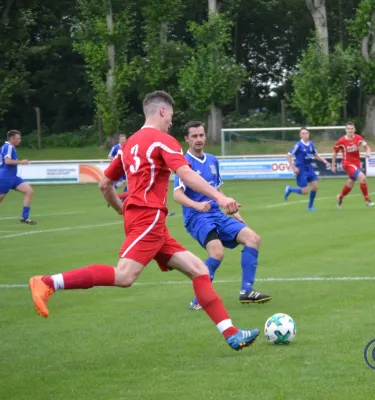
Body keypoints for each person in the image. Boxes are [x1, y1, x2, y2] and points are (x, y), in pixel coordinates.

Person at [28, 91, 259, 351]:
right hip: (149, 218)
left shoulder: (128, 145)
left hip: (147, 220)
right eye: (171, 115)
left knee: (200, 270)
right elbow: (185, 173)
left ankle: (231, 333)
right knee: (125, 275)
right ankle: (48, 282)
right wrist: (220, 196)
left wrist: (120, 209)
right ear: (162, 112)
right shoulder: (164, 141)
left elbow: (105, 183)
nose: (172, 121)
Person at [172, 121, 271, 311]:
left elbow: (217, 189)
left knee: (253, 239)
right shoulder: (184, 164)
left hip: (218, 213)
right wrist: (197, 205)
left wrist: (234, 210)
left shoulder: (212, 160)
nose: (199, 139)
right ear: (186, 139)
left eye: (201, 135)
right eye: (194, 136)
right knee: (217, 253)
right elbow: (177, 194)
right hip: (197, 217)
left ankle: (247, 291)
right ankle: (199, 299)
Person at [283, 127, 330, 210]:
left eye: (306, 133)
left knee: (315, 186)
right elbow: (288, 155)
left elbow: (315, 155)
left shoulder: (311, 144)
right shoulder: (298, 145)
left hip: (309, 167)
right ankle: (290, 189)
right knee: (305, 191)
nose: (305, 135)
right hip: (301, 169)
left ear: (309, 134)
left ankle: (310, 206)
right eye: (303, 133)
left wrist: (324, 161)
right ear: (300, 135)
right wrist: (293, 168)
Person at [331, 122, 375, 208]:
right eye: (348, 129)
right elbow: (334, 153)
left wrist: (368, 153)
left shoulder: (358, 138)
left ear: (354, 129)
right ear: (345, 130)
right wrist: (333, 165)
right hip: (347, 164)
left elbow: (367, 147)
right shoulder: (341, 141)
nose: (350, 130)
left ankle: (340, 197)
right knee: (362, 178)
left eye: (352, 129)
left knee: (350, 184)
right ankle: (367, 200)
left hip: (356, 164)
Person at [0, 130, 37, 224]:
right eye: (18, 138)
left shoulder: (9, 147)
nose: (20, 140)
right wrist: (21, 162)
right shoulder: (8, 147)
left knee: (29, 191)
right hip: (5, 178)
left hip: (13, 177)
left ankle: (24, 217)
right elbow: (7, 161)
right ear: (12, 139)